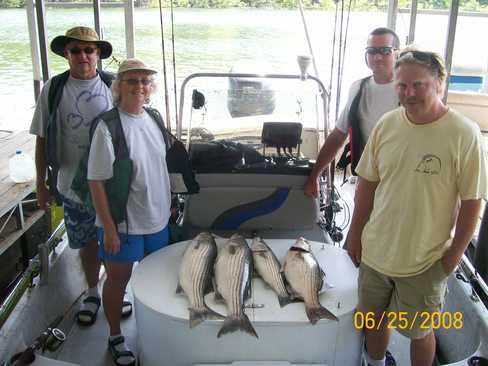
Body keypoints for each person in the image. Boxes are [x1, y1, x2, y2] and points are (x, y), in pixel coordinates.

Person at [346, 48, 487, 366]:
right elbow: (366, 184)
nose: (408, 93)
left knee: (419, 332)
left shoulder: (464, 134)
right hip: (377, 251)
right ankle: (376, 362)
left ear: (438, 82)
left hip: (425, 260)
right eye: (402, 85)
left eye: (418, 84)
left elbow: (471, 202)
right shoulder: (387, 124)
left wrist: (452, 258)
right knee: (373, 321)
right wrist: (354, 234)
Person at [29, 26, 130, 327]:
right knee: (85, 241)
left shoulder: (114, 87)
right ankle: (92, 291)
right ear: (66, 54)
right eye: (76, 50)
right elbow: (41, 140)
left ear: (98, 54)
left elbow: (131, 131)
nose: (83, 56)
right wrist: (40, 182)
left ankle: (116, 289)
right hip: (71, 184)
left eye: (89, 50)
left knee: (116, 240)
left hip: (111, 185)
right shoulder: (54, 88)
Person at [87, 58, 172, 366]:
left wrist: (170, 203)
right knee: (117, 281)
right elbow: (95, 181)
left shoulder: (154, 117)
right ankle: (114, 335)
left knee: (153, 278)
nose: (139, 87)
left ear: (151, 88)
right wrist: (108, 227)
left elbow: (158, 165)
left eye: (145, 81)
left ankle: (153, 327)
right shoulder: (107, 126)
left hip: (158, 219)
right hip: (123, 223)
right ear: (118, 86)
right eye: (131, 81)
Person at [304, 27, 400, 198]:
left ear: (397, 54)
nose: (377, 57)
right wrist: (314, 175)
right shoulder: (358, 88)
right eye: (372, 51)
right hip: (366, 180)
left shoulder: (408, 91)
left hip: (401, 182)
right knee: (360, 225)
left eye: (385, 51)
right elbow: (338, 136)